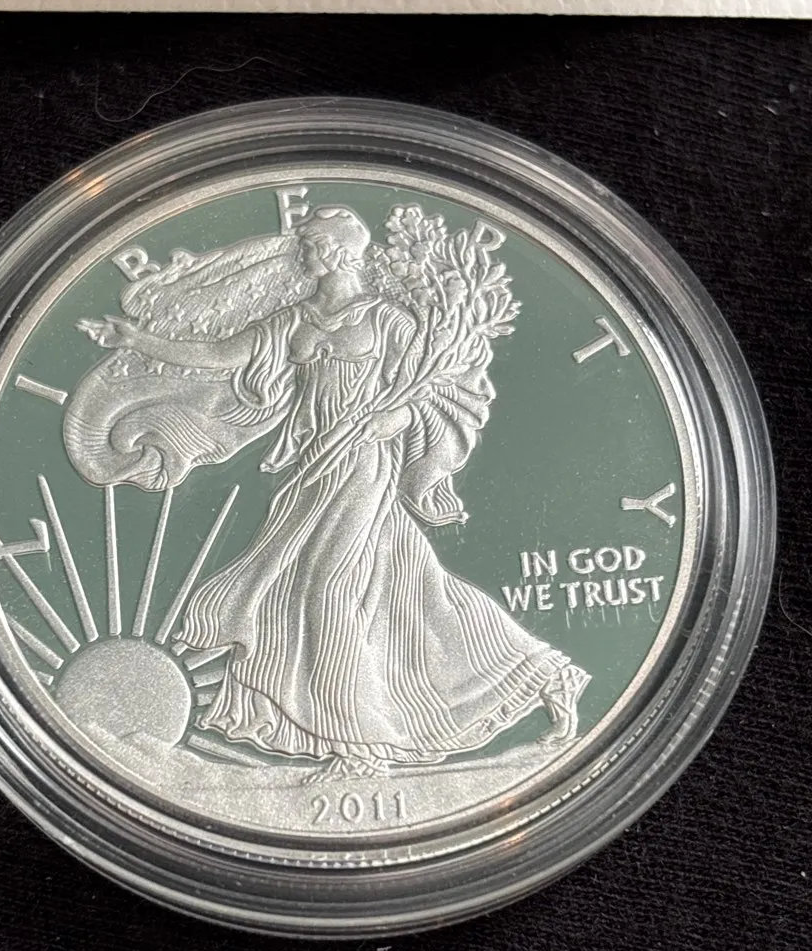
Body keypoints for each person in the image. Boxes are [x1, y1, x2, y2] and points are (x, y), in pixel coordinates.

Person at [75, 206, 589, 778]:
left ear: (341, 251)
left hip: (365, 465)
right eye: (305, 244)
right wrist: (139, 339)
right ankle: (544, 673)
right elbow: (222, 356)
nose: (304, 254)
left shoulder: (390, 321)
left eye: (313, 245)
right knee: (412, 592)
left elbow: (438, 392)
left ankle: (360, 747)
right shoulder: (295, 320)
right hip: (314, 468)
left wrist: (393, 419)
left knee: (328, 588)